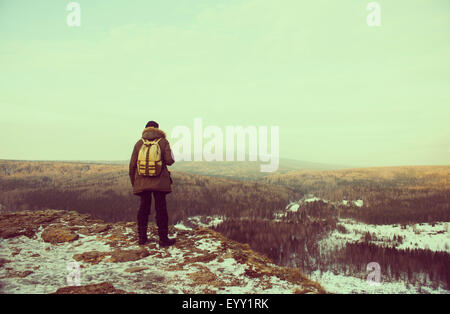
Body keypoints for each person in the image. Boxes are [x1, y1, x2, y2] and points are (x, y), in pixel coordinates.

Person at [129, 120, 176, 246]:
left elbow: (132, 165)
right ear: (158, 129)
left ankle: (142, 238)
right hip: (159, 182)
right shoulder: (163, 142)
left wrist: (135, 184)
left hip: (142, 182)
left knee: (143, 208)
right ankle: (163, 239)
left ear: (145, 129)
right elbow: (170, 161)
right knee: (161, 209)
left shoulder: (139, 143)